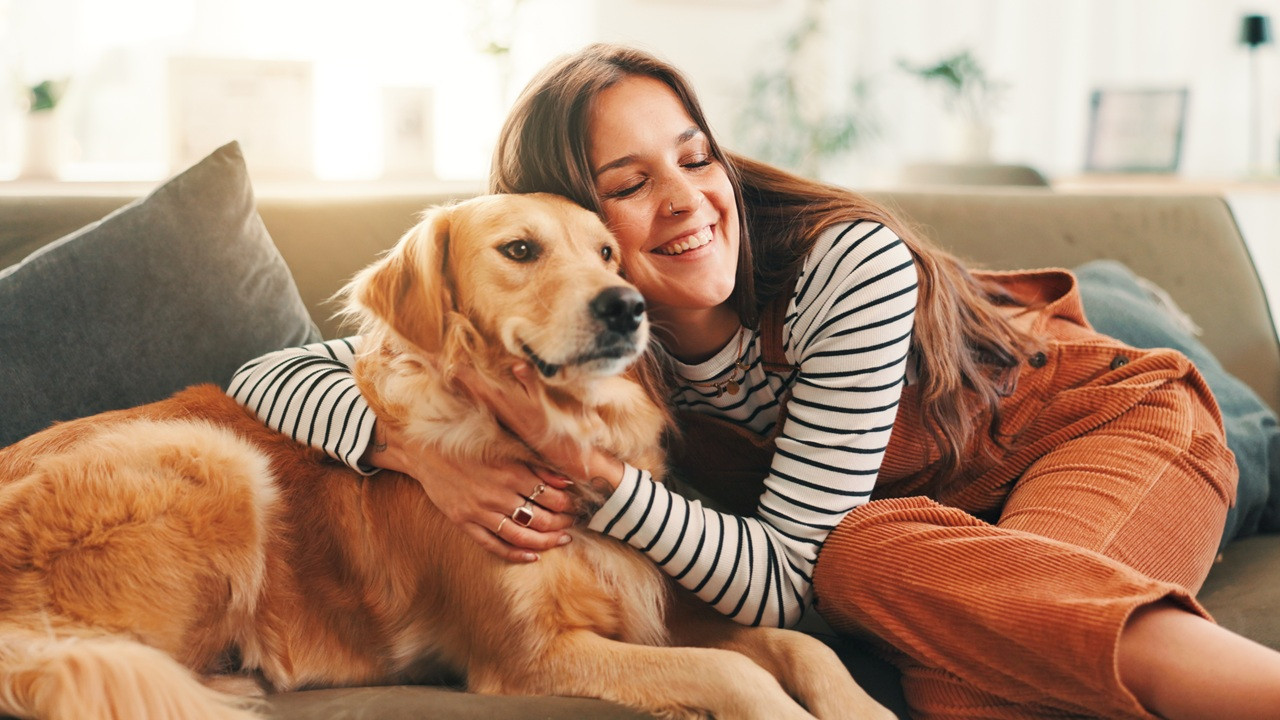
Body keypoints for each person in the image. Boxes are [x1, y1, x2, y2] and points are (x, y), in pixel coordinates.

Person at [229, 43, 1280, 720]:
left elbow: (785, 579)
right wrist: (413, 451)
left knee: (869, 566)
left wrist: (585, 474)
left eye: (695, 158)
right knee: (943, 681)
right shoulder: (581, 332)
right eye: (629, 187)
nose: (687, 201)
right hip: (931, 533)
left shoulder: (843, 265)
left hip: (1084, 435)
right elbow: (274, 370)